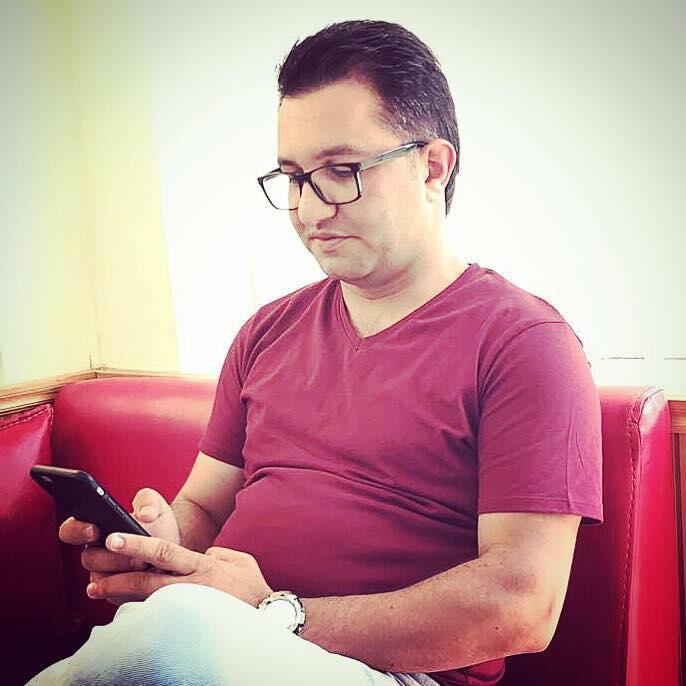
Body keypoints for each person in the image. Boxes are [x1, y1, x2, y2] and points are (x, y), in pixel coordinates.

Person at [29, 19, 602, 686]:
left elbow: (522, 607)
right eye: (294, 177)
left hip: (393, 673)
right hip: (221, 639)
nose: (309, 209)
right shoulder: (266, 332)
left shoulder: (526, 344)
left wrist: (274, 614)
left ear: (432, 166)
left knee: (172, 640)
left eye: (341, 172)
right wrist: (160, 540)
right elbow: (203, 509)